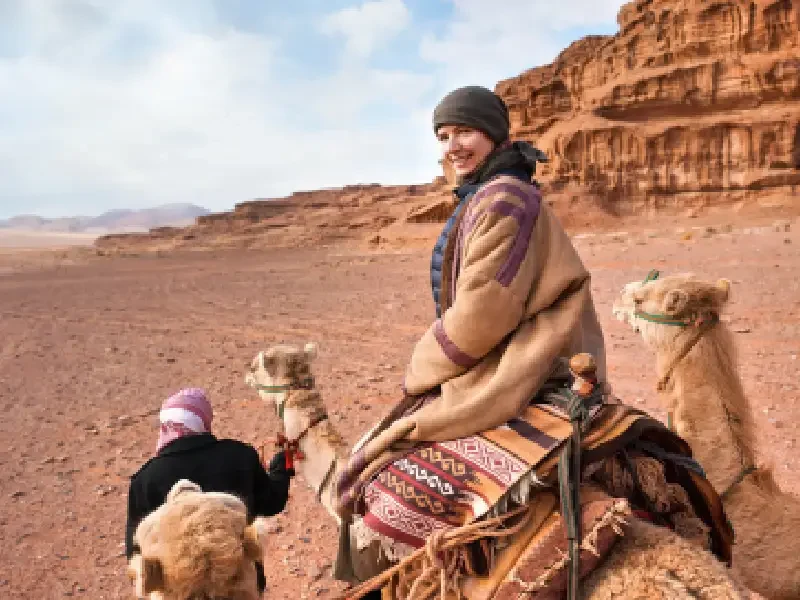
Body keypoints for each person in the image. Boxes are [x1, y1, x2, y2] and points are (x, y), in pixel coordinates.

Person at [332, 85, 607, 585]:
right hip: (505, 353)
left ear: (494, 135)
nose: (452, 145)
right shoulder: (494, 192)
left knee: (379, 484)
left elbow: (484, 311)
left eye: (464, 131)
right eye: (443, 135)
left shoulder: (504, 198)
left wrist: (422, 368)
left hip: (527, 362)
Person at [125, 387, 294, 595]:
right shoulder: (239, 456)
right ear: (203, 421)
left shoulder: (145, 480)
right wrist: (281, 468)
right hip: (238, 586)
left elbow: (135, 553)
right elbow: (272, 501)